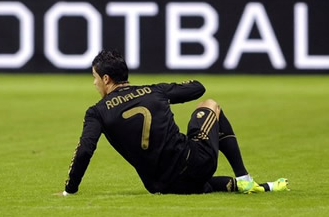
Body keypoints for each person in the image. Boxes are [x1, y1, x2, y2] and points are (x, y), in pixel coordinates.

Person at [60, 50, 289, 196]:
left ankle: (247, 185)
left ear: (106, 79)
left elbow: (84, 151)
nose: (94, 83)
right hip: (195, 165)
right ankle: (244, 178)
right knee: (211, 105)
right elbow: (198, 88)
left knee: (198, 183)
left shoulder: (97, 112)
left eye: (94, 77)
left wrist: (70, 190)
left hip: (160, 186)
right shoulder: (153, 91)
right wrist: (166, 91)